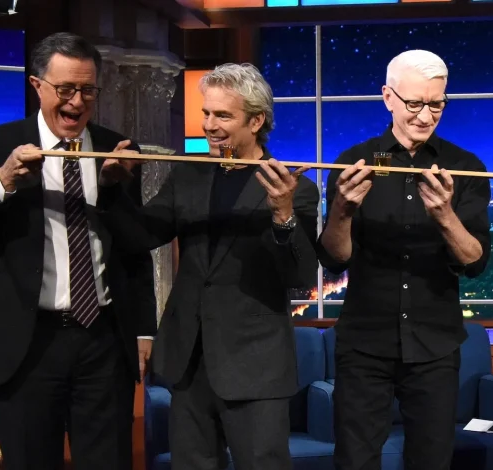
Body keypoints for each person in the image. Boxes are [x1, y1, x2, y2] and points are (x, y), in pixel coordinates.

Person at [0, 32, 157, 470]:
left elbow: (136, 249)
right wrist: (2, 180)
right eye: (66, 89)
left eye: (88, 90)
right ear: (37, 85)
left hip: (103, 341)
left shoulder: (118, 148)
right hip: (26, 346)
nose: (77, 102)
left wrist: (144, 331)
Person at [97, 63, 320, 470]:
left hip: (255, 365)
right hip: (188, 360)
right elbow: (141, 235)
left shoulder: (294, 188)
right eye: (206, 113)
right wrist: (113, 189)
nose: (209, 126)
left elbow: (300, 277)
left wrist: (283, 214)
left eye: (223, 116)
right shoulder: (190, 176)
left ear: (256, 121)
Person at [317, 50, 491, 470]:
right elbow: (335, 261)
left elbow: (475, 263)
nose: (425, 116)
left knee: (431, 460)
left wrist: (444, 215)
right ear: (388, 97)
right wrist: (342, 210)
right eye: (414, 103)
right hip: (364, 343)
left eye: (436, 104)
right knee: (355, 460)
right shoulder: (353, 163)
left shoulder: (465, 167)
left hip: (435, 344)